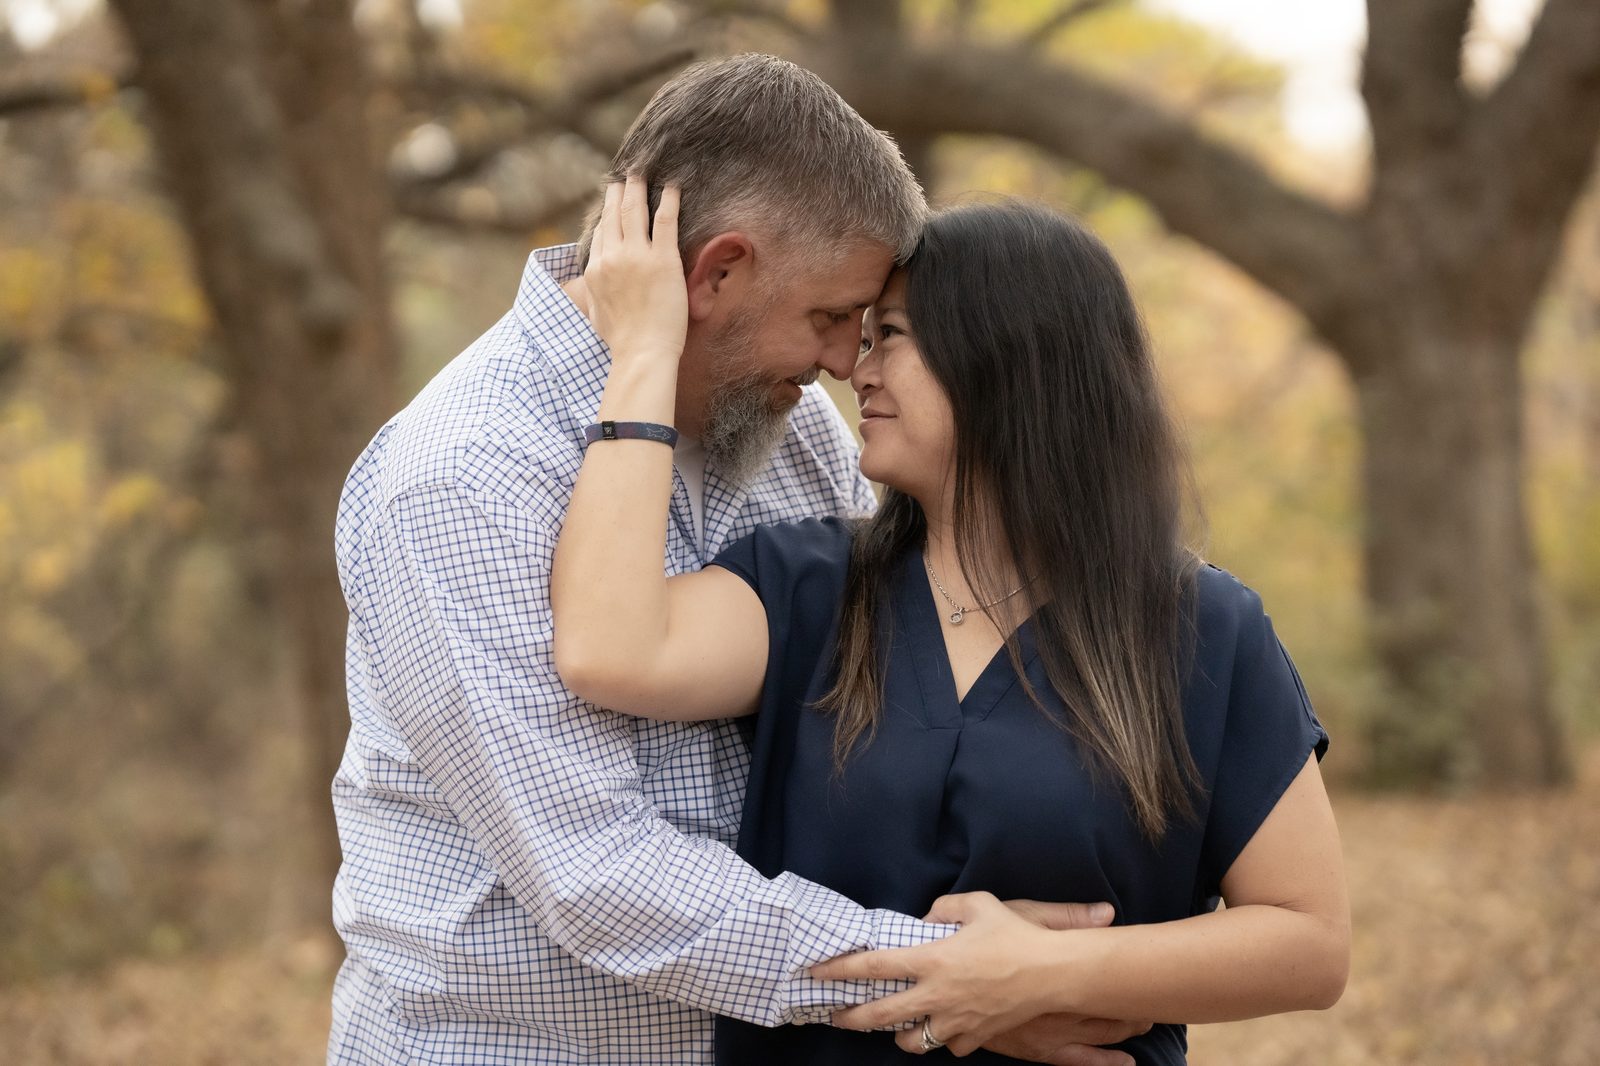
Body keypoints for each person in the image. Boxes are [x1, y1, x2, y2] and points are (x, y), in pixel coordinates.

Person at [329, 53, 1142, 1065]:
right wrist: (945, 977)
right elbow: (593, 872)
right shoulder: (462, 476)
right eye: (828, 319)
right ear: (716, 273)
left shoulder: (790, 435)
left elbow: (906, 687)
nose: (849, 362)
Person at [553, 183, 1351, 1064]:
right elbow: (609, 648)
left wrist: (1051, 973)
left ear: (1008, 360)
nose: (856, 370)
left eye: (888, 336)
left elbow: (1309, 943)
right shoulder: (809, 589)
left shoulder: (1204, 631)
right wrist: (645, 353)